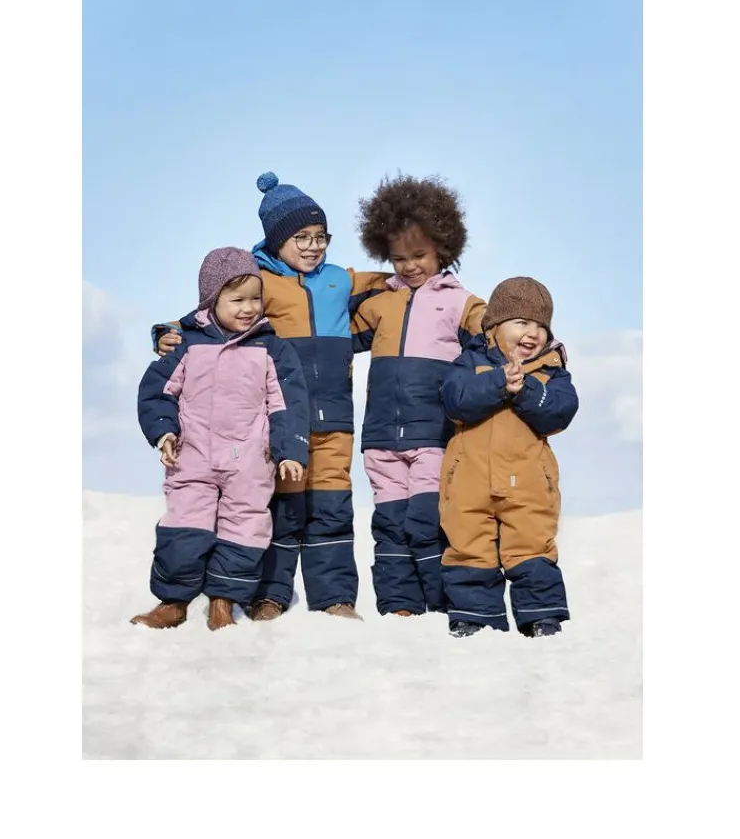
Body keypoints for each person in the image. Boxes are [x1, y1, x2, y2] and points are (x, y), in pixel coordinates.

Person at [152, 173, 386, 620]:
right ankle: (269, 595)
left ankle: (335, 597)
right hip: (277, 419)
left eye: (321, 236)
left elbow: (397, 280)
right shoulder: (257, 280)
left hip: (334, 416)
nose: (313, 246)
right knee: (279, 508)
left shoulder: (340, 279)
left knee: (332, 508)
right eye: (302, 237)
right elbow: (207, 314)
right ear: (277, 240)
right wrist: (165, 333)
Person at [131, 247, 310, 631]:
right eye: (237, 300)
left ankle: (223, 603)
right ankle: (172, 602)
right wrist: (164, 432)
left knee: (244, 530)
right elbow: (158, 392)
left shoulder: (271, 348)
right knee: (183, 528)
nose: (249, 308)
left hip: (250, 461)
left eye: (255, 298)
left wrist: (289, 450)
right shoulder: (187, 344)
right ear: (212, 300)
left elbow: (288, 404)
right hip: (192, 456)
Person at [352, 173, 486, 617]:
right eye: (398, 258)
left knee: (427, 521)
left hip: (433, 435)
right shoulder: (379, 303)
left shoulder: (460, 302)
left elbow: (497, 334)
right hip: (380, 438)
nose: (409, 266)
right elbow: (328, 335)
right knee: (390, 525)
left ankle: (443, 603)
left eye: (419, 255)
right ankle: (400, 607)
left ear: (443, 249)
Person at [438, 276, 579, 638]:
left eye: (541, 326)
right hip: (469, 480)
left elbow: (560, 412)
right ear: (495, 327)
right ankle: (473, 617)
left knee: (532, 545)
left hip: (528, 483)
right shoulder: (469, 362)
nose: (533, 333)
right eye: (521, 322)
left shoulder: (550, 372)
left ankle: (541, 617)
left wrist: (525, 388)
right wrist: (498, 383)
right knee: (468, 545)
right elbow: (456, 400)